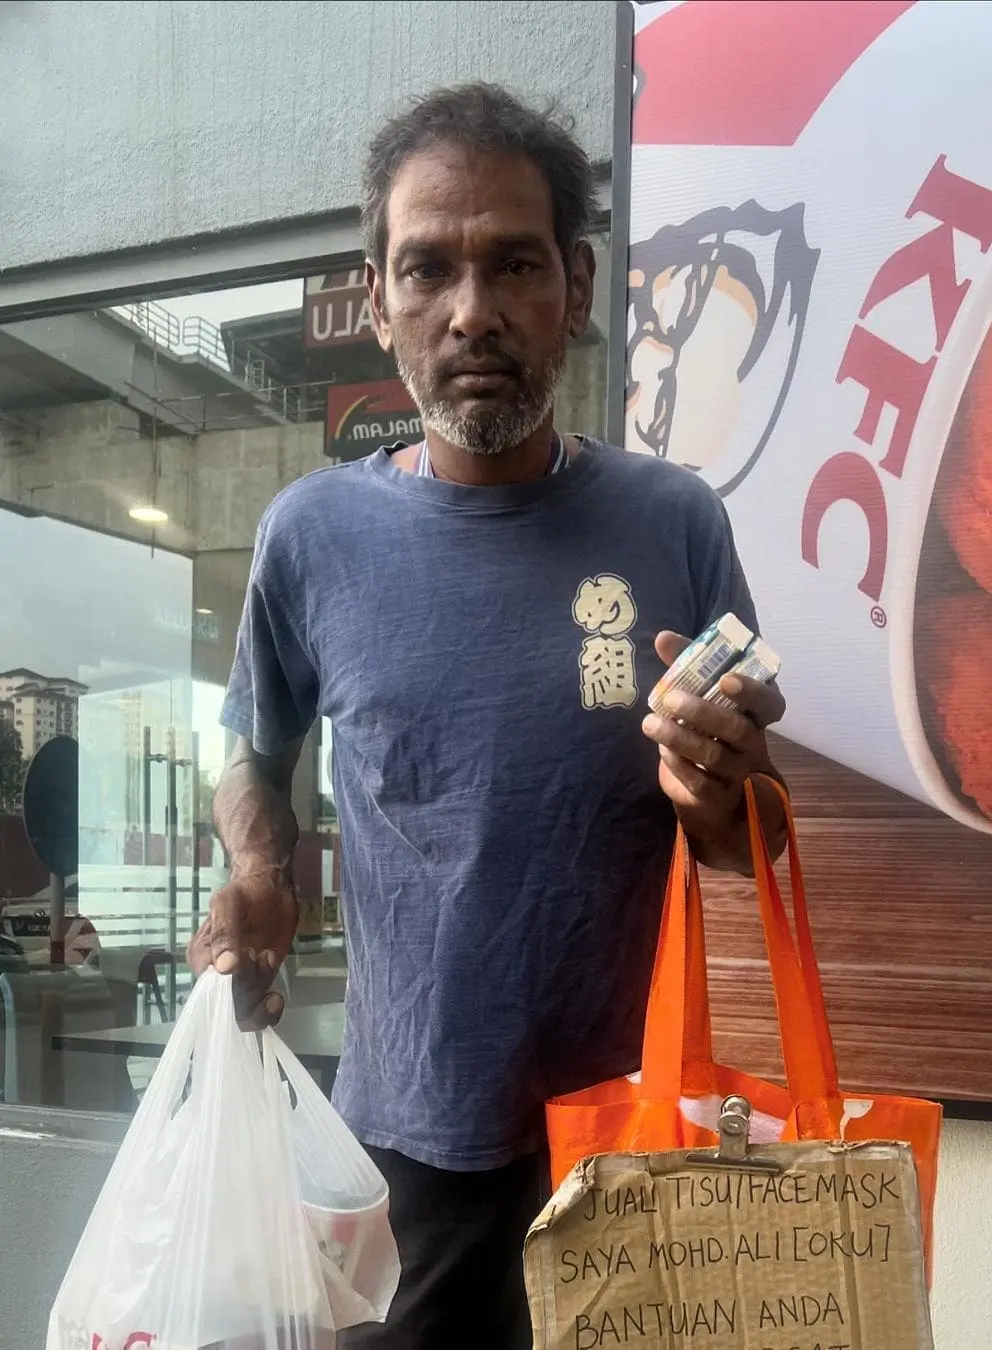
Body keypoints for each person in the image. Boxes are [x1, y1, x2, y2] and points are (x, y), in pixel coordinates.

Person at [190, 82, 787, 1349]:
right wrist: (257, 865)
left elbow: (746, 841)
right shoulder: (314, 535)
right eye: (429, 270)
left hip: (632, 1137)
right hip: (407, 1147)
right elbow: (254, 740)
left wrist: (717, 790)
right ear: (381, 298)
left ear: (573, 286)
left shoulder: (674, 524)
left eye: (514, 263)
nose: (473, 313)